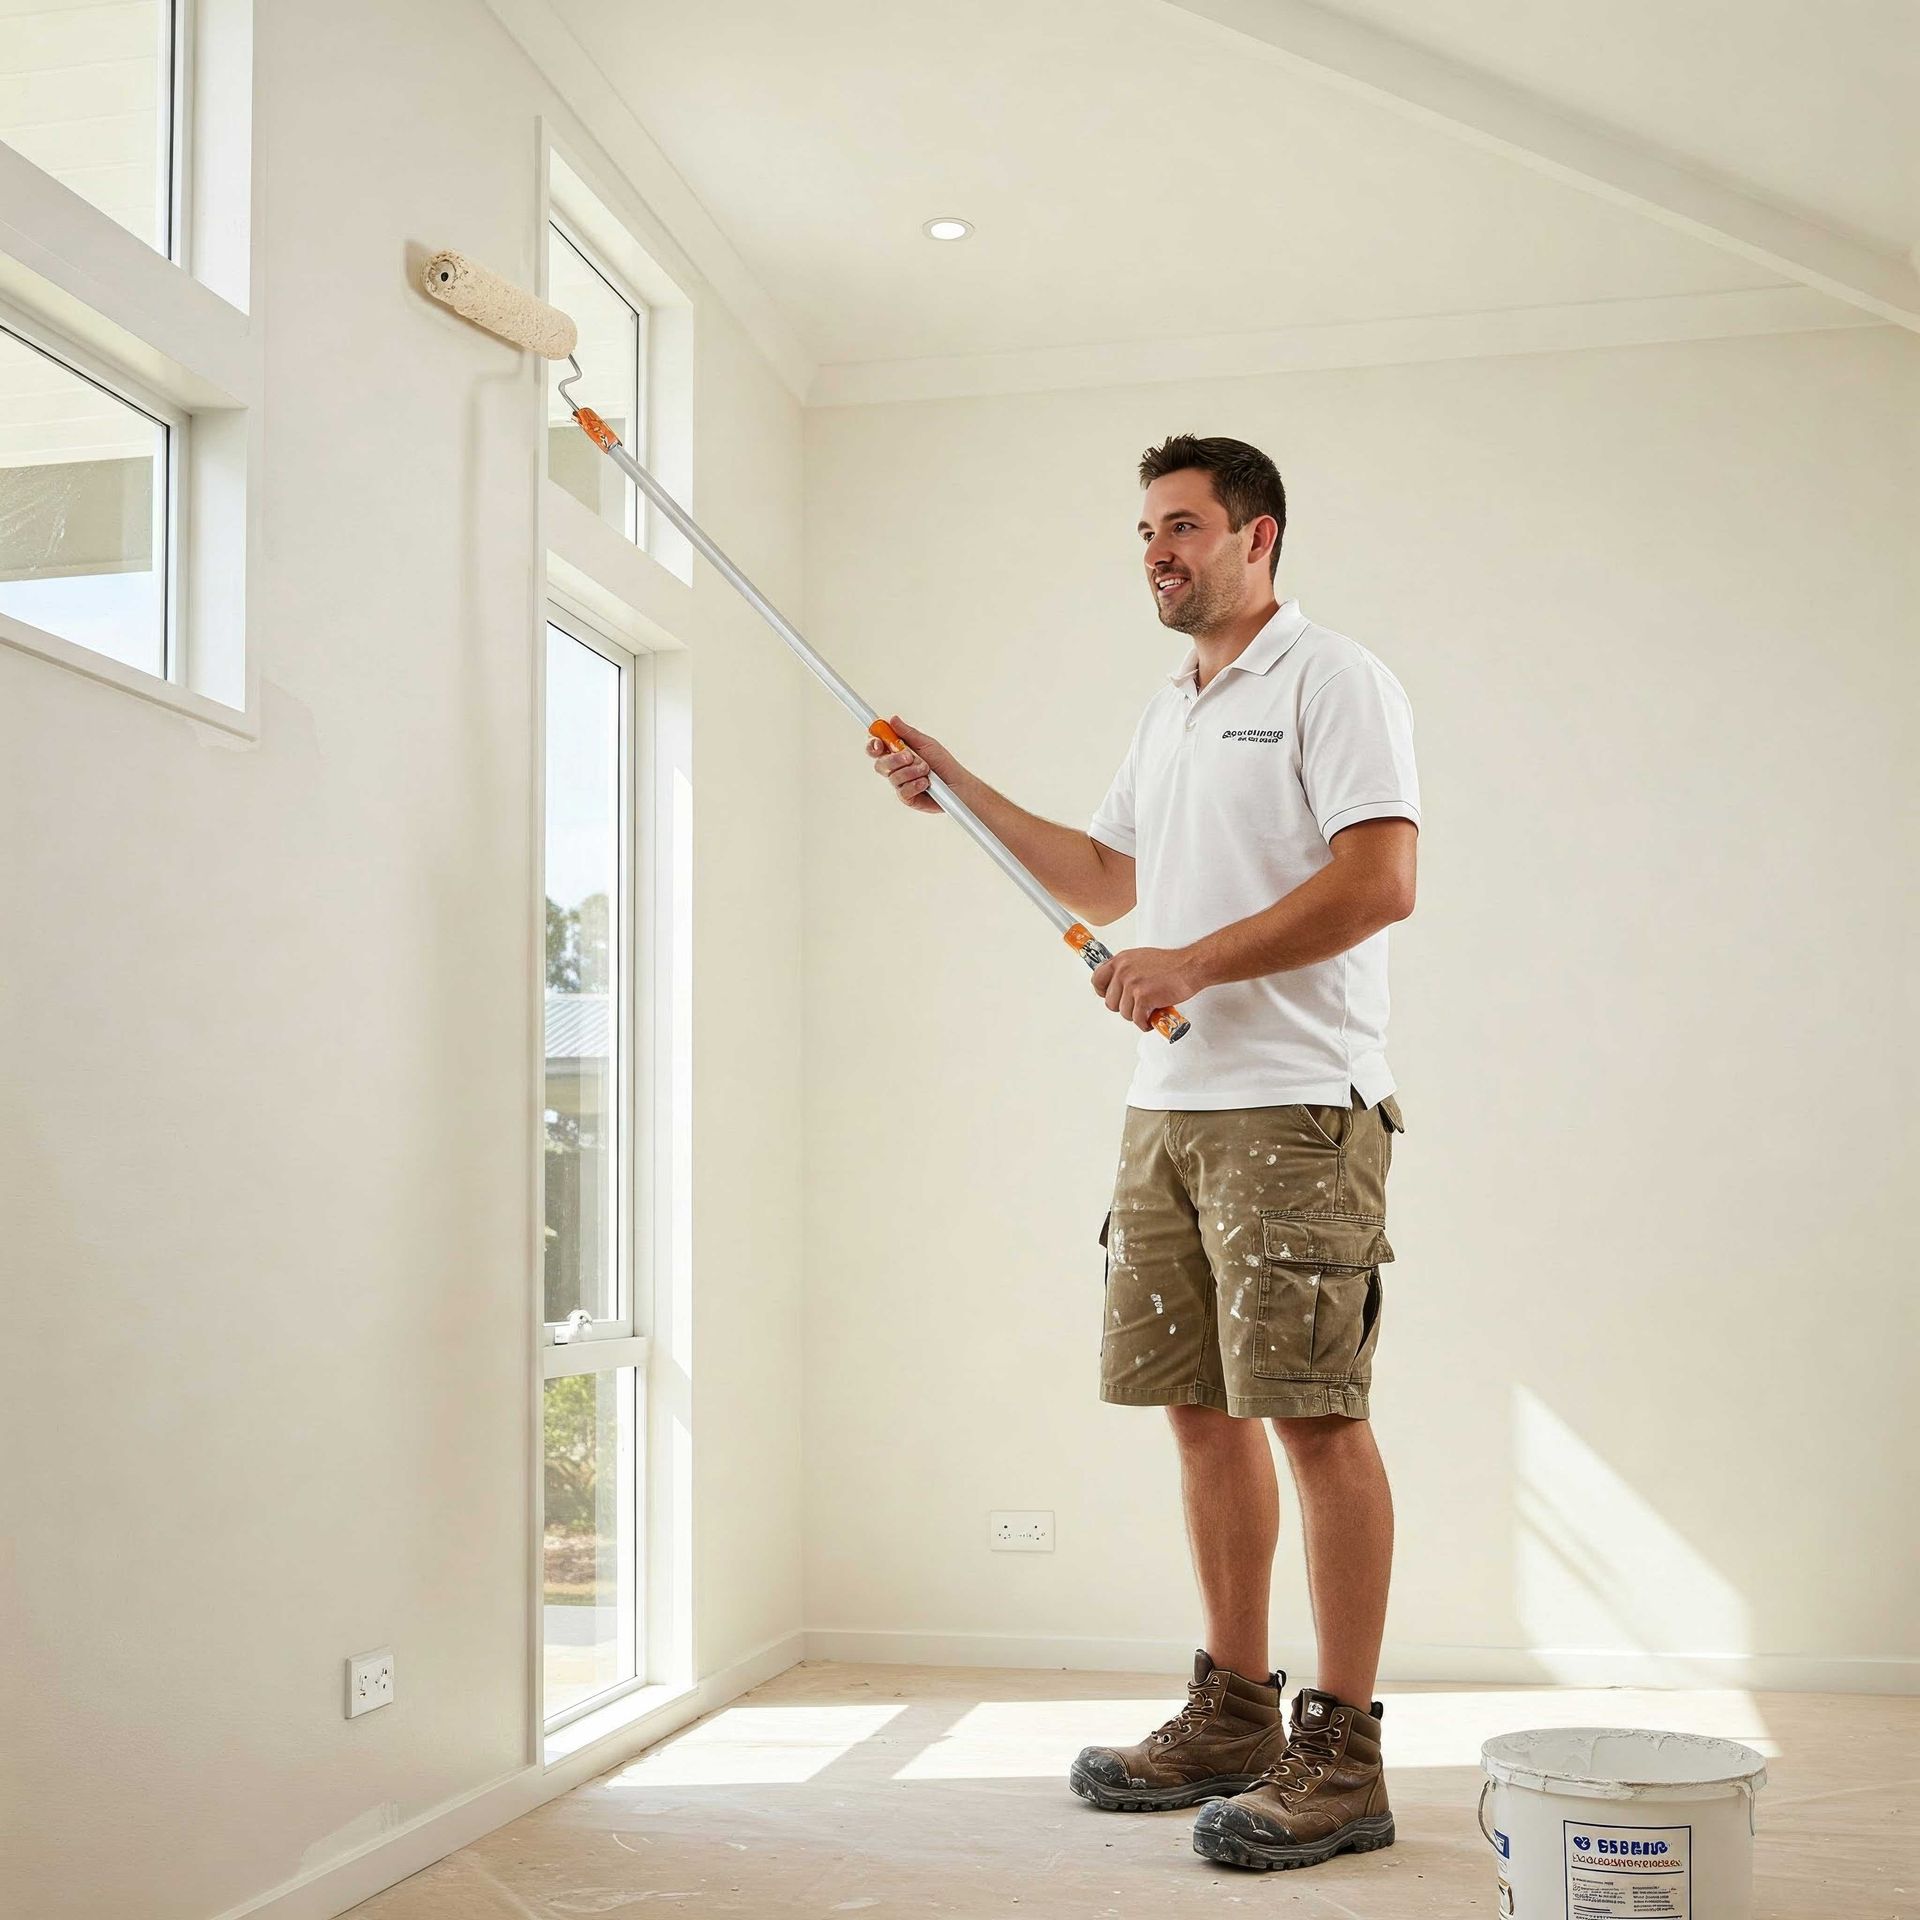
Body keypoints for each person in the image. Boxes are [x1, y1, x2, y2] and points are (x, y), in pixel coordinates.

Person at [866, 434, 1420, 1874]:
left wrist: (1195, 961)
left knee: (1312, 1415)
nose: (1157, 552)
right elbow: (1112, 878)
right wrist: (957, 786)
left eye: (1181, 526)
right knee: (1195, 1409)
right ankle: (1233, 1714)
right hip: (1169, 1108)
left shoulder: (1331, 680)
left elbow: (1381, 880)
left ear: (1261, 538)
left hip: (1300, 1105)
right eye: (1143, 532)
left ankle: (1343, 1753)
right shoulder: (1169, 710)